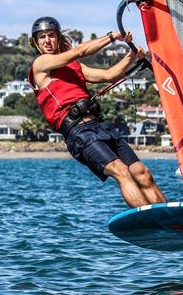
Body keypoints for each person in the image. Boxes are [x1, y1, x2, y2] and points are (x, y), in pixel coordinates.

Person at [28, 16, 167, 208]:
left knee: (142, 172)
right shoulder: (41, 65)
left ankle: (174, 222)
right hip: (79, 133)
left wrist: (132, 56)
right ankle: (150, 220)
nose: (47, 40)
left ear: (58, 38)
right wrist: (112, 37)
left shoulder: (75, 67)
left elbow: (109, 75)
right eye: (42, 37)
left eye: (51, 35)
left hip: (101, 126)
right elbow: (79, 51)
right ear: (36, 42)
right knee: (121, 171)